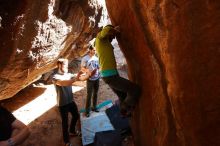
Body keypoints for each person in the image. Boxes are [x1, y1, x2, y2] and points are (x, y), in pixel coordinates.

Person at [95, 25, 141, 116]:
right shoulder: (100, 39)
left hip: (109, 75)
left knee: (122, 95)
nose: (113, 38)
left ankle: (125, 113)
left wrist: (112, 33)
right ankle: (124, 109)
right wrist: (114, 29)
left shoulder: (104, 43)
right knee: (135, 89)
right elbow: (105, 31)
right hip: (110, 76)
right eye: (112, 36)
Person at [53, 58, 83, 146]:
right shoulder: (55, 77)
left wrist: (88, 74)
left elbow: (79, 78)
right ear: (59, 65)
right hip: (62, 104)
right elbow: (63, 83)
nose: (67, 67)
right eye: (65, 65)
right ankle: (66, 142)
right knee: (65, 123)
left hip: (70, 101)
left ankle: (72, 131)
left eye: (67, 65)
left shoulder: (68, 74)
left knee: (76, 115)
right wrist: (76, 78)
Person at [81, 45, 100, 117]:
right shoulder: (85, 59)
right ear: (90, 50)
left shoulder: (96, 58)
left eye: (96, 50)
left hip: (97, 78)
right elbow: (82, 68)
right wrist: (87, 71)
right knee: (89, 95)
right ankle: (87, 111)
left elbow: (98, 67)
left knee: (95, 93)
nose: (95, 52)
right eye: (94, 50)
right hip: (90, 79)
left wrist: (99, 73)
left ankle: (94, 107)